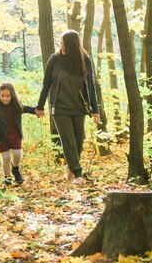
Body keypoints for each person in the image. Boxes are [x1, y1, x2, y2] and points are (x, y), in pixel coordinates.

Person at [35, 30, 100, 186]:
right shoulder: (55, 60)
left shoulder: (85, 60)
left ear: (71, 44)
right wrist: (40, 105)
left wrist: (95, 109)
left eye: (63, 42)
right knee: (68, 140)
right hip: (59, 106)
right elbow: (46, 84)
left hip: (79, 106)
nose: (61, 45)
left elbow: (91, 85)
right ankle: (78, 174)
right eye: (60, 42)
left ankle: (71, 167)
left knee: (79, 141)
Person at [0, 82, 37, 186]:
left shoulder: (16, 105)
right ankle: (7, 178)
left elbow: (26, 108)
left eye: (8, 96)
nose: (5, 98)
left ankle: (16, 169)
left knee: (17, 154)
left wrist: (36, 111)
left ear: (12, 95)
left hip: (15, 134)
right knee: (6, 157)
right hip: (0, 136)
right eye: (2, 96)